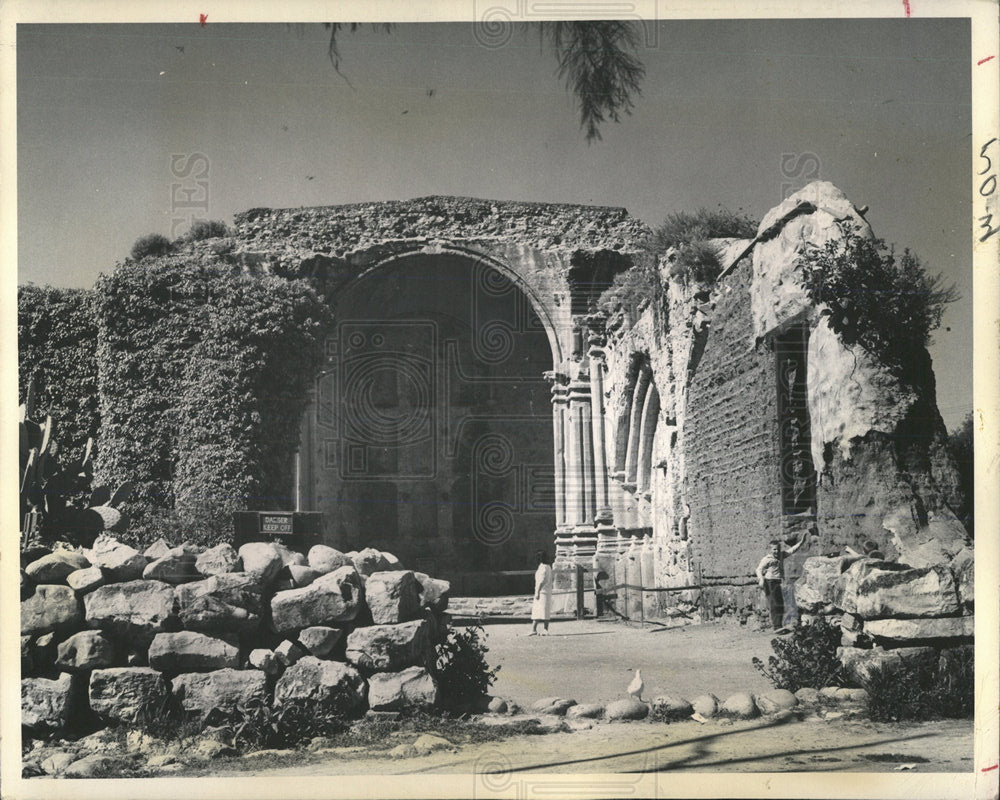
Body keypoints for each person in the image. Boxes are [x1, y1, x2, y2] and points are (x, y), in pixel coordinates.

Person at [755, 529, 808, 631]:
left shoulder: (781, 555)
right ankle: (776, 626)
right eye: (774, 549)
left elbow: (792, 550)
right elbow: (758, 569)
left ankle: (779, 625)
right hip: (769, 582)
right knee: (774, 604)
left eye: (778, 549)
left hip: (777, 582)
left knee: (780, 604)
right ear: (770, 550)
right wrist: (761, 579)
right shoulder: (767, 559)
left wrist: (801, 542)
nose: (776, 551)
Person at [529, 549, 553, 636]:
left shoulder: (543, 567)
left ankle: (544, 629)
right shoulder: (548, 567)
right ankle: (535, 629)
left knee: (541, 610)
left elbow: (542, 580)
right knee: (540, 610)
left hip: (542, 592)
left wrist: (537, 591)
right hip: (545, 591)